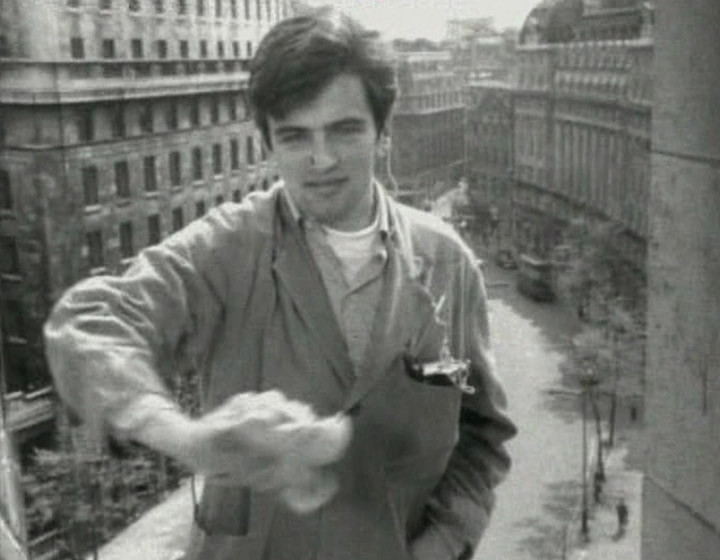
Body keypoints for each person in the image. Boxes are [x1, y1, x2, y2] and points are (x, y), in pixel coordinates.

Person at [43, 8, 516, 560]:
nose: (320, 160)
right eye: (295, 136)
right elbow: (87, 325)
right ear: (267, 143)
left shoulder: (448, 265)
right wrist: (188, 438)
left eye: (343, 129)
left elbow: (482, 439)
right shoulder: (227, 248)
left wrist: (439, 545)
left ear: (384, 133)